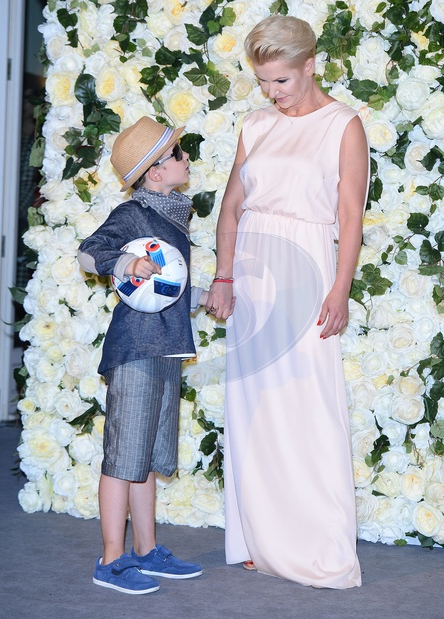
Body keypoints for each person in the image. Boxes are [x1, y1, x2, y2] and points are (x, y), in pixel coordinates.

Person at [206, 15, 369, 588]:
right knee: (255, 410)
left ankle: (319, 547)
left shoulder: (343, 125)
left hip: (307, 273)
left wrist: (340, 289)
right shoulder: (255, 124)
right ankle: (260, 539)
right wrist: (224, 276)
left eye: (281, 80)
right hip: (252, 276)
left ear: (310, 65)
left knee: (307, 408)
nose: (272, 92)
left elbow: (350, 216)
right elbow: (231, 207)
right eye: (263, 82)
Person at [77, 116, 207, 594]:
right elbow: (88, 254)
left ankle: (146, 550)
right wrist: (125, 261)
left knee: (146, 456)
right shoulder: (133, 214)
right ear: (155, 171)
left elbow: (165, 289)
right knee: (123, 456)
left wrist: (202, 296)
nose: (186, 158)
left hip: (166, 348)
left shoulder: (173, 214)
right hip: (135, 349)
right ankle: (111, 560)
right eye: (178, 152)